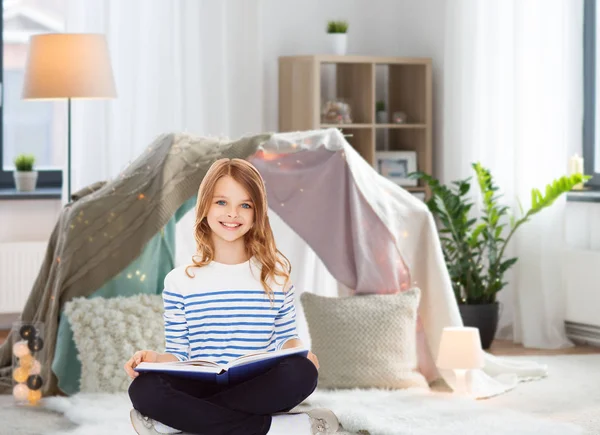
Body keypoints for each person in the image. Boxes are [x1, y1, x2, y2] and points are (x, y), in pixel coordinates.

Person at [124, 158, 340, 435]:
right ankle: (275, 428)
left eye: (245, 205)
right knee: (144, 389)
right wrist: (152, 359)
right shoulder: (178, 281)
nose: (232, 214)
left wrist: (301, 353)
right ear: (205, 207)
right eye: (221, 202)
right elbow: (179, 353)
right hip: (201, 384)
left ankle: (177, 423)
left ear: (256, 213)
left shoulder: (276, 278)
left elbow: (286, 339)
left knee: (302, 373)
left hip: (256, 385)